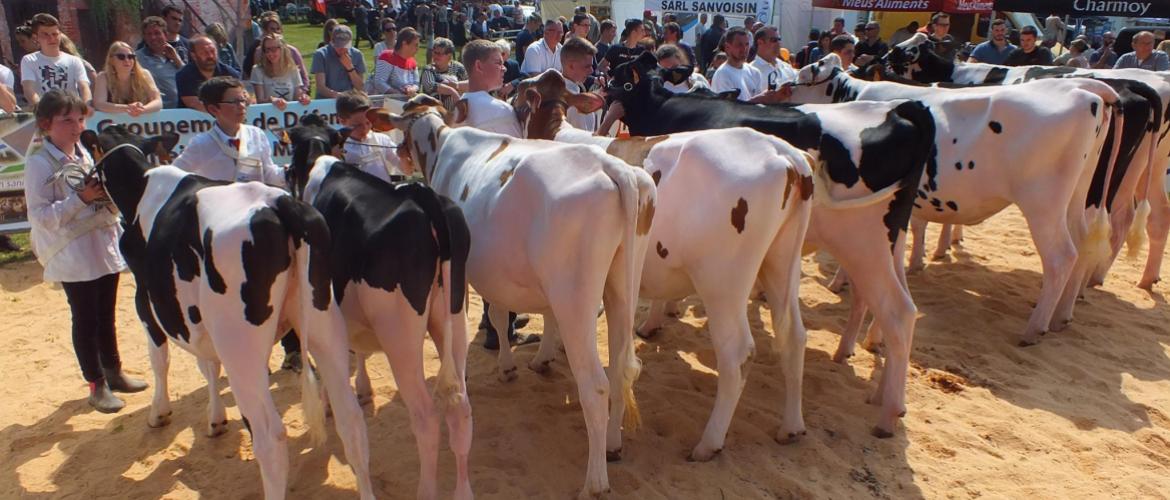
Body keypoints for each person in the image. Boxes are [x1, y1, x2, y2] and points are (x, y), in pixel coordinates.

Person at [24, 90, 146, 413]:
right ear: (45, 125)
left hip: (102, 244)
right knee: (86, 318)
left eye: (80, 119)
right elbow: (40, 217)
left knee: (107, 314)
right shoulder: (38, 164)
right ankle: (96, 384)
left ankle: (115, 371)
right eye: (66, 121)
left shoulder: (87, 153)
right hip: (72, 253)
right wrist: (81, 199)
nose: (76, 126)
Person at [458, 39, 537, 349]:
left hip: (472, 193)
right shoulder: (496, 110)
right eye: (497, 62)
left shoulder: (465, 103)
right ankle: (500, 333)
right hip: (499, 193)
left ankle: (494, 321)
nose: (504, 67)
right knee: (505, 259)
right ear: (479, 66)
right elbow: (523, 147)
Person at [20, 14, 91, 106]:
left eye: (55, 34)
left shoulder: (74, 61)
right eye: (45, 34)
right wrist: (43, 111)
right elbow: (29, 90)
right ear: (35, 37)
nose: (52, 38)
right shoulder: (29, 60)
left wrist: (85, 106)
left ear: (60, 35)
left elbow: (84, 87)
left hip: (71, 113)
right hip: (46, 114)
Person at [335, 90, 403, 182]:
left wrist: (404, 156)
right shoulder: (337, 147)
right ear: (342, 121)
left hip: (384, 193)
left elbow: (407, 170)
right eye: (357, 125)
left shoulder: (382, 140)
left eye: (368, 122)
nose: (364, 128)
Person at [711, 27, 788, 103]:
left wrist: (775, 96)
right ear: (727, 47)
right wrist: (759, 99)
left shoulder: (754, 72)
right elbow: (729, 111)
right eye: (739, 45)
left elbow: (759, 106)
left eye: (747, 44)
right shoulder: (723, 74)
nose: (744, 49)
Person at [241, 13, 309, 92]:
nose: (276, 31)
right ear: (265, 31)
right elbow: (256, 78)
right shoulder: (258, 52)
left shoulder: (293, 51)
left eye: (278, 28)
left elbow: (304, 77)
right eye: (272, 29)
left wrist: (303, 93)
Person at [92, 42, 163, 116]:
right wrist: (129, 108)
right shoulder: (103, 77)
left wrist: (142, 109)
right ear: (111, 60)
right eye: (121, 57)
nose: (127, 60)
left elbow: (158, 102)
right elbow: (99, 104)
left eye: (130, 56)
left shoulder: (144, 75)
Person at [176, 35, 242, 111]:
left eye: (212, 51)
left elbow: (242, 96)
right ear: (193, 56)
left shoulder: (229, 73)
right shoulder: (184, 75)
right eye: (204, 52)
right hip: (191, 121)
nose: (210, 56)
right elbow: (193, 103)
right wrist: (223, 113)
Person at [135, 17, 185, 109]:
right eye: (149, 34)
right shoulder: (136, 58)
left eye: (157, 33)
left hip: (180, 113)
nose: (153, 37)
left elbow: (188, 78)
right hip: (156, 115)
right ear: (144, 37)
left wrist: (177, 60)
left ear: (165, 35)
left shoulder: (177, 54)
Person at [250, 34, 310, 110]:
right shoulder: (258, 70)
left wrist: (304, 98)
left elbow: (297, 97)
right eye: (267, 50)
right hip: (268, 116)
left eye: (274, 49)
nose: (270, 53)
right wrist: (272, 100)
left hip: (289, 115)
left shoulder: (293, 70)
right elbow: (260, 101)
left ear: (283, 49)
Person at [558, 37, 601, 133]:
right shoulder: (575, 104)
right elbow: (585, 142)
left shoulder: (556, 90)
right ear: (571, 66)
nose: (591, 70)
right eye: (587, 66)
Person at [312, 25, 366, 98]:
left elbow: (360, 87)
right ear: (332, 41)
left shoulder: (357, 54)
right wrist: (341, 97)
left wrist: (350, 68)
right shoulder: (320, 54)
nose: (342, 49)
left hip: (348, 101)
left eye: (345, 46)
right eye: (339, 46)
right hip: (326, 101)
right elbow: (321, 87)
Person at [420, 37, 467, 109]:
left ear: (449, 55)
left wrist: (455, 85)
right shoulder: (428, 70)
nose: (436, 56)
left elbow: (470, 85)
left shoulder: (458, 68)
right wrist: (453, 91)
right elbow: (431, 86)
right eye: (435, 52)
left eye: (440, 53)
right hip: (434, 113)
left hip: (456, 112)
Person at [751, 27, 797, 91]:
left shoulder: (786, 67)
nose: (778, 43)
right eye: (774, 40)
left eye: (779, 39)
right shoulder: (751, 72)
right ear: (760, 42)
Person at [384, 27, 422, 96]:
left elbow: (416, 83)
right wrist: (398, 94)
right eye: (416, 45)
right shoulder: (387, 56)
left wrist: (413, 89)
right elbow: (379, 82)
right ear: (404, 44)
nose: (418, 48)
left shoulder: (413, 62)